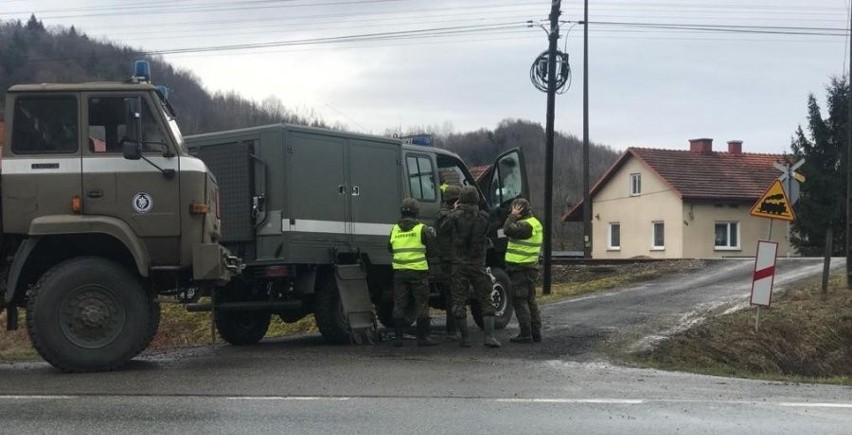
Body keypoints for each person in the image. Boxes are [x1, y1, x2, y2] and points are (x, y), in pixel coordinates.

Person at [448, 186, 501, 348]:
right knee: (486, 299)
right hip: (478, 264)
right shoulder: (484, 218)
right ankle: (490, 337)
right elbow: (489, 228)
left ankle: (465, 339)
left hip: (459, 265)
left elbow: (443, 231)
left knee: (459, 302)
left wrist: (454, 210)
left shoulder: (453, 217)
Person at [388, 197, 439, 347]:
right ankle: (423, 338)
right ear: (417, 212)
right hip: (418, 272)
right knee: (421, 304)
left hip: (399, 272)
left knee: (399, 304)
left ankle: (398, 338)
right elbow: (433, 251)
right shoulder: (422, 229)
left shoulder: (394, 229)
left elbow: (390, 248)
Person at [503, 198, 543, 343]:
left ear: (518, 210)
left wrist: (512, 216)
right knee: (530, 299)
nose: (511, 212)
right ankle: (536, 332)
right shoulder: (535, 223)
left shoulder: (524, 226)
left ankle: (526, 333)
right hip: (530, 267)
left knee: (520, 300)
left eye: (513, 209)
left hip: (520, 268)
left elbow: (506, 229)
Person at [435, 184, 461, 340]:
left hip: (454, 257)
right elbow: (444, 230)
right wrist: (454, 213)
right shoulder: (444, 214)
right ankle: (452, 329)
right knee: (452, 295)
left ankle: (455, 327)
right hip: (449, 259)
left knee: (456, 294)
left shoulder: (449, 212)